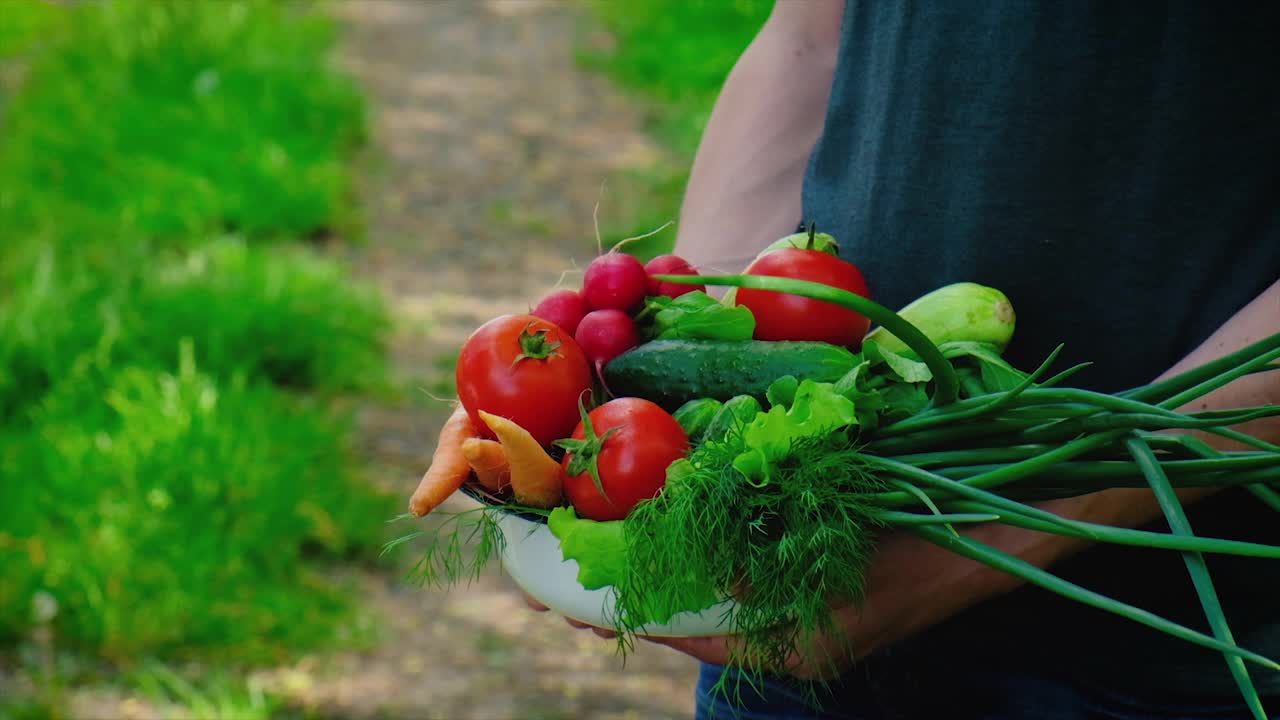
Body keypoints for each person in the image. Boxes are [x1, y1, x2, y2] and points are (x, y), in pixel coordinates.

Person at [534, 2, 1280, 717]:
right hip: (817, 585)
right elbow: (808, 39)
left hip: (1188, 651)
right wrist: (671, 407)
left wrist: (989, 543)